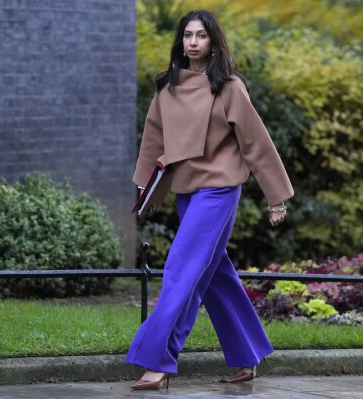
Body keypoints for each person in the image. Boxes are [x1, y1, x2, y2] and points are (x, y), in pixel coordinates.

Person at [126, 9, 294, 390]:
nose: (193, 42)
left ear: (214, 42)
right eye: (187, 35)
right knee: (216, 274)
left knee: (181, 271)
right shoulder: (167, 87)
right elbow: (153, 140)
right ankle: (247, 354)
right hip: (187, 191)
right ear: (180, 41)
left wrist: (276, 198)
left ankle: (159, 360)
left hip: (219, 191)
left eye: (201, 35)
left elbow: (256, 143)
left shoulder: (229, 87)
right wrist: (146, 190)